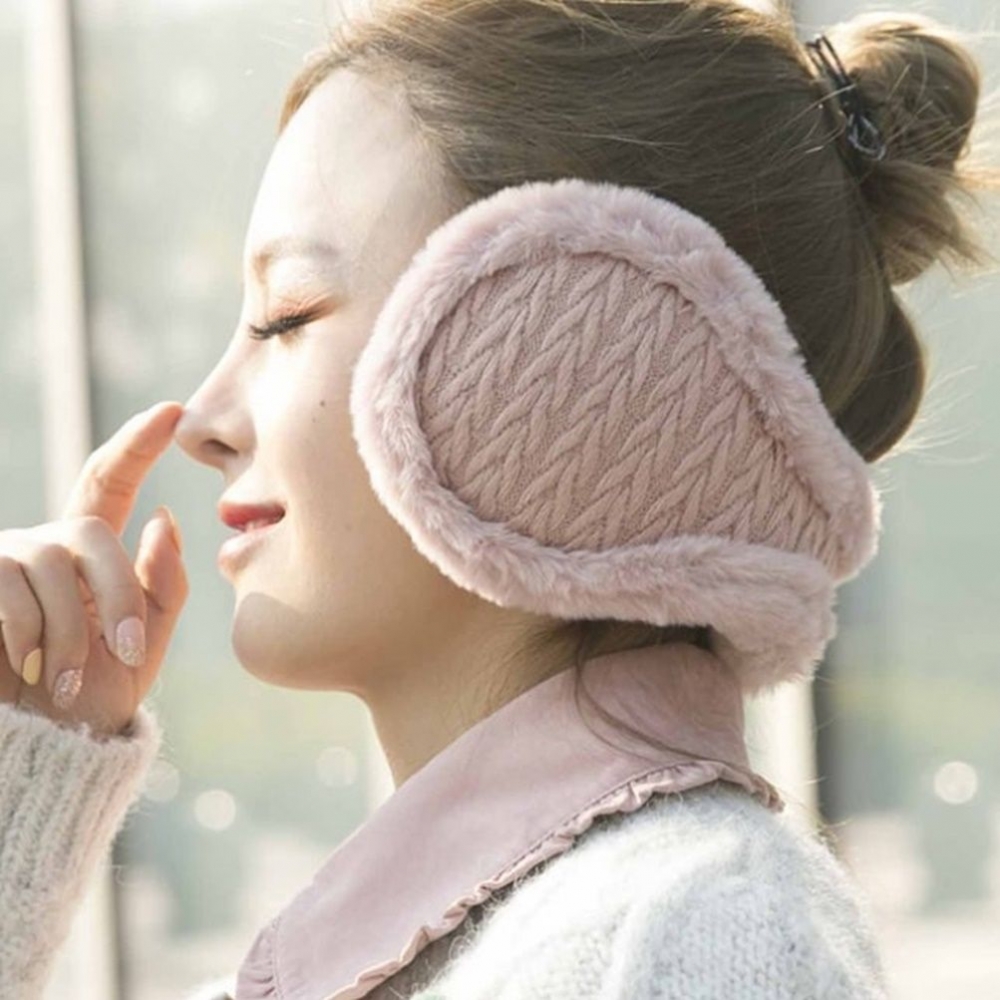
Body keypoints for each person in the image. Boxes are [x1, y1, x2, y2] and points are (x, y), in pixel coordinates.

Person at [0, 1, 995, 998]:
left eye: (286, 316)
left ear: (567, 347)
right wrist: (21, 786)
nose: (202, 420)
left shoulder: (691, 935)